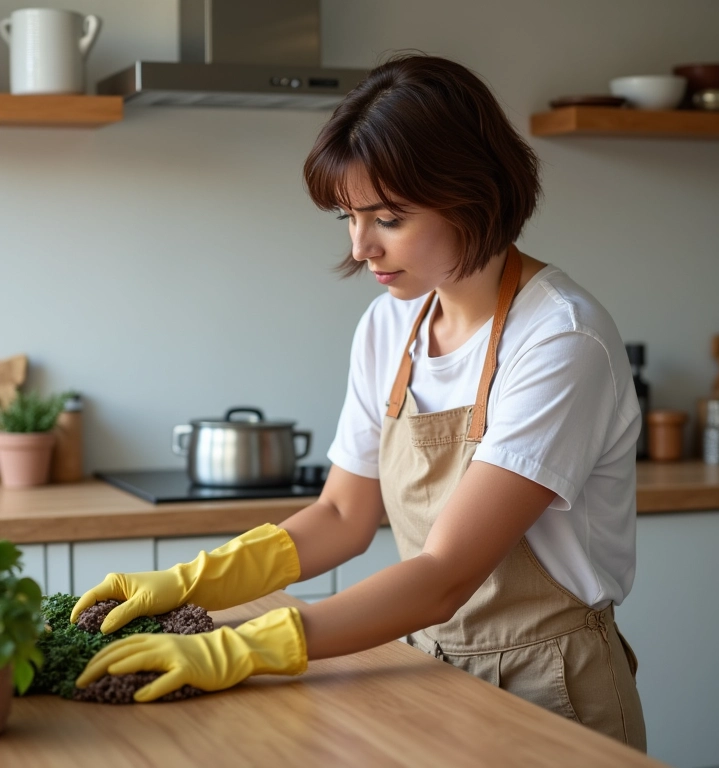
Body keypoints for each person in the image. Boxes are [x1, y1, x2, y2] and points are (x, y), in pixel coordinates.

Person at [72, 53, 646, 750]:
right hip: (428, 664)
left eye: (390, 217)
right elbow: (343, 513)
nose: (363, 246)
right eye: (349, 216)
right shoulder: (390, 325)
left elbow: (445, 573)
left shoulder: (560, 338)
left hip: (549, 682)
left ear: (474, 193)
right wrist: (191, 583)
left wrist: (245, 646)